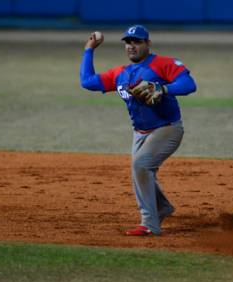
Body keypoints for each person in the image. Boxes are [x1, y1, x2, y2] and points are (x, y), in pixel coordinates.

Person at [80, 25, 197, 236]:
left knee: (141, 165)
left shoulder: (163, 64)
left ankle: (149, 224)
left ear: (148, 44)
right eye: (128, 42)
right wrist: (89, 49)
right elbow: (87, 82)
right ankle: (162, 208)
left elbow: (189, 84)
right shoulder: (120, 74)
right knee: (141, 170)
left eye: (137, 42)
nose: (131, 46)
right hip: (140, 133)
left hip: (167, 128)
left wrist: (164, 88)